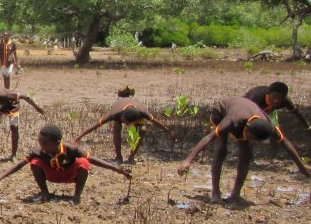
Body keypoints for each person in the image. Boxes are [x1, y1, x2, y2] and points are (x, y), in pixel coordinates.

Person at [178, 96, 310, 202]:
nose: (246, 139)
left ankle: (235, 194)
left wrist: (302, 167)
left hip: (246, 113)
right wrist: (188, 161)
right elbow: (208, 138)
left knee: (246, 154)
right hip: (222, 111)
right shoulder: (232, 121)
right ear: (247, 127)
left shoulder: (268, 126)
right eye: (248, 136)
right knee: (221, 149)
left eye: (253, 140)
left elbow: (285, 143)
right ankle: (216, 193)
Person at [0, 124, 131, 204]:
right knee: (35, 162)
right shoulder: (39, 152)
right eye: (40, 143)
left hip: (70, 175)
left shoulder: (71, 149)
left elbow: (93, 160)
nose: (42, 147)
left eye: (45, 144)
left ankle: (76, 196)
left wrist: (118, 169)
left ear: (57, 143)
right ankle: (45, 194)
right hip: (52, 175)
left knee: (84, 162)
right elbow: (19, 164)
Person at [72, 94, 177, 163]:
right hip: (120, 108)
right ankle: (118, 157)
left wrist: (169, 132)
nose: (128, 126)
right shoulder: (114, 114)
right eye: (127, 123)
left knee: (142, 130)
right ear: (123, 119)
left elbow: (156, 122)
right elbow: (94, 126)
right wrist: (77, 138)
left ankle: (131, 157)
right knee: (117, 128)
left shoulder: (142, 112)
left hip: (135, 112)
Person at [244, 82, 310, 130]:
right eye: (274, 97)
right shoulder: (256, 98)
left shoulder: (285, 101)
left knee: (275, 131)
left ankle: (274, 145)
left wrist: (308, 127)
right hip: (248, 109)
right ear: (268, 94)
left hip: (270, 110)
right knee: (249, 130)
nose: (276, 101)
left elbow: (297, 113)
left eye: (280, 98)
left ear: (284, 98)